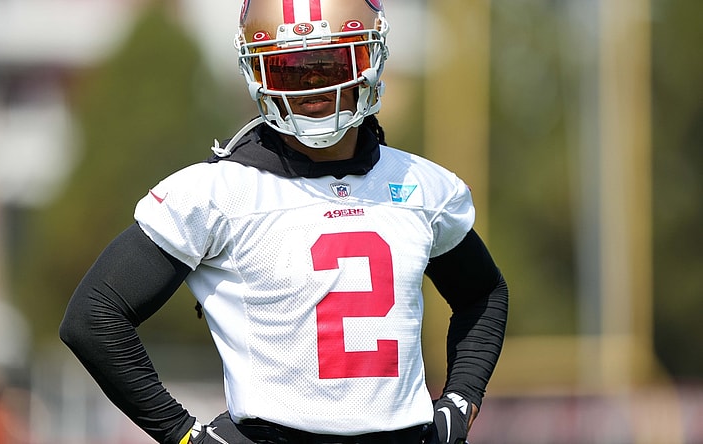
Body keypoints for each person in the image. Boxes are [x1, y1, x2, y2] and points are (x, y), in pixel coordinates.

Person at [59, 1, 508, 443]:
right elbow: (94, 316)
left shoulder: (421, 185)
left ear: (371, 59)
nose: (312, 88)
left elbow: (483, 294)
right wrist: (181, 433)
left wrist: (461, 399)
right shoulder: (218, 192)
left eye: (331, 64)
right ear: (258, 75)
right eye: (289, 70)